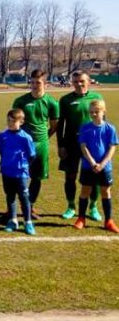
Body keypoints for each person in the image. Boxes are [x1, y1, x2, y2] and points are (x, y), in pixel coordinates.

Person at [12, 70, 59, 219]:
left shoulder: (52, 103)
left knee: (37, 177)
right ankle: (12, 209)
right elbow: (14, 124)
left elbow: (54, 126)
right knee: (18, 176)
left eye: (38, 82)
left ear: (45, 83)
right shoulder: (20, 101)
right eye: (32, 82)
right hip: (22, 145)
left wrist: (43, 139)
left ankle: (30, 207)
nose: (34, 85)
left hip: (41, 144)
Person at [57, 71, 103, 221]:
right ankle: (71, 206)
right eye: (75, 81)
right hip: (71, 144)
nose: (79, 84)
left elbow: (103, 122)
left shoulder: (97, 97)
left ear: (88, 81)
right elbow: (60, 124)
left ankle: (93, 207)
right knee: (70, 176)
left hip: (92, 144)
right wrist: (61, 145)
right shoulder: (65, 100)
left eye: (82, 81)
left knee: (94, 175)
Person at [73, 100, 119, 233]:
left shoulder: (110, 128)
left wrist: (103, 164)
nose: (93, 114)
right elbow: (83, 147)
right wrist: (93, 162)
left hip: (105, 167)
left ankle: (108, 221)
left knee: (106, 192)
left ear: (103, 112)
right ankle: (81, 219)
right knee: (85, 191)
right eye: (91, 112)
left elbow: (112, 148)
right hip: (88, 166)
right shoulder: (85, 127)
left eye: (96, 112)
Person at [0, 109, 37, 235]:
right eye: (9, 121)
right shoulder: (2, 135)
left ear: (21, 122)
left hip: (21, 173)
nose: (10, 123)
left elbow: (32, 155)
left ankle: (28, 222)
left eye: (13, 121)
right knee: (10, 196)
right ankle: (13, 220)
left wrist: (22, 165)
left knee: (24, 197)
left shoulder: (26, 138)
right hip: (7, 171)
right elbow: (1, 151)